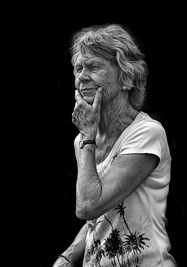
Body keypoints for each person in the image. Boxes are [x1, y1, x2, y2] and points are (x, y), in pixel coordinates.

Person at [53, 24, 176, 267]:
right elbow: (100, 217)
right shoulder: (83, 140)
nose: (81, 77)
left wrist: (87, 137)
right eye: (78, 69)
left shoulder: (146, 133)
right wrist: (67, 257)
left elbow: (88, 206)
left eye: (93, 67)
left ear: (127, 78)